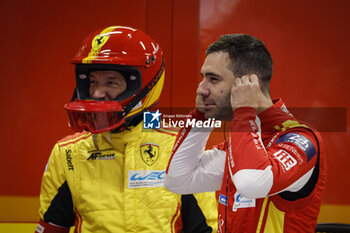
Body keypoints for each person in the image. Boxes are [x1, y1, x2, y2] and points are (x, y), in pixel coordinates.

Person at [35, 26, 218, 233]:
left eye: (111, 82)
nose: (97, 93)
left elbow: (204, 229)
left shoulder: (180, 149)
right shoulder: (68, 153)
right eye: (93, 82)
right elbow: (51, 228)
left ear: (144, 86)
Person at [164, 34, 326, 233]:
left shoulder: (302, 139)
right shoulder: (240, 144)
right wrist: (200, 116)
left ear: (249, 83)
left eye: (213, 79)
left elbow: (252, 183)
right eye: (202, 78)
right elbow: (179, 180)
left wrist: (243, 112)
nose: (201, 89)